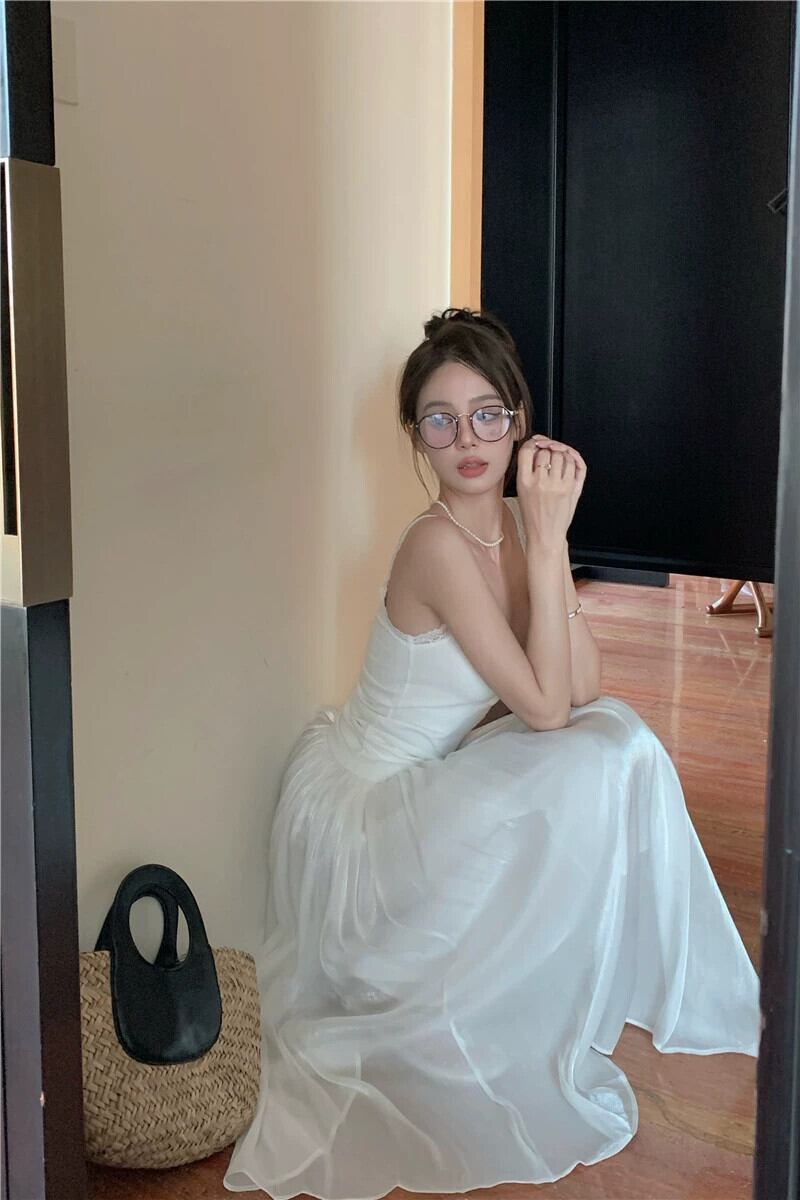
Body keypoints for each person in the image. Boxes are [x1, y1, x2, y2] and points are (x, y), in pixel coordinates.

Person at [223, 307, 760, 1198]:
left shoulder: (513, 523)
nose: (467, 440)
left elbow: (584, 684)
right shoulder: (435, 545)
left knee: (622, 737)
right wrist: (550, 544)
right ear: (416, 437)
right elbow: (547, 710)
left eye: (486, 415)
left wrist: (548, 544)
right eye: (440, 421)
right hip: (366, 821)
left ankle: (633, 969)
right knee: (590, 755)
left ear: (519, 419)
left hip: (427, 787)